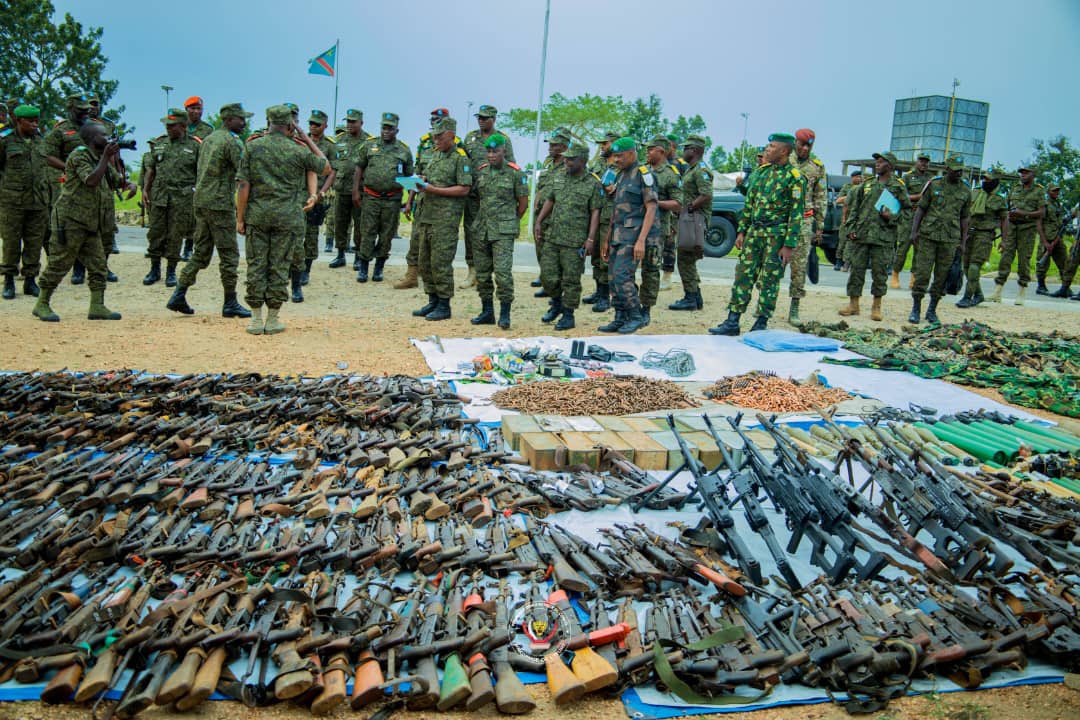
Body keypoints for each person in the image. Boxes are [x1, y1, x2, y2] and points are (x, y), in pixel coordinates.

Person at [236, 105, 330, 335]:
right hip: (287, 217)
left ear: (269, 123)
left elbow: (243, 185)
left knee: (256, 265)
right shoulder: (297, 150)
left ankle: (256, 319)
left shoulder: (252, 147)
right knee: (279, 266)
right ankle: (273, 319)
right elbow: (325, 167)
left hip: (258, 215)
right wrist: (305, 137)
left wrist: (240, 218)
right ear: (290, 125)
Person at [710, 133, 805, 336]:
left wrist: (789, 245)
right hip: (754, 233)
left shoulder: (794, 178)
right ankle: (732, 321)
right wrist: (742, 231)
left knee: (769, 280)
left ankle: (761, 323)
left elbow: (796, 214)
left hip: (776, 236)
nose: (767, 149)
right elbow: (749, 204)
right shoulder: (760, 173)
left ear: (784, 151)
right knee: (743, 275)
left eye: (772, 146)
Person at [32, 121, 127, 322]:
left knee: (99, 265)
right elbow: (91, 180)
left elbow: (116, 180)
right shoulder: (79, 156)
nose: (108, 138)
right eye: (103, 135)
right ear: (92, 139)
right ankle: (42, 303)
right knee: (59, 263)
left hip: (90, 222)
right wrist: (106, 157)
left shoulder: (98, 158)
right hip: (71, 220)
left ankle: (97, 306)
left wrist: (129, 184)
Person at [166, 102, 253, 319]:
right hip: (219, 204)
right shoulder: (232, 141)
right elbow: (244, 172)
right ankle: (230, 301)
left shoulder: (209, 139)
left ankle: (179, 293)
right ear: (229, 120)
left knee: (201, 252)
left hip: (202, 201)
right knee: (229, 254)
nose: (244, 123)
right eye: (241, 119)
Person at [533, 143, 601, 330]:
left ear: (583, 161)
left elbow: (595, 212)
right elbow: (550, 199)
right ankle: (556, 304)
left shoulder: (592, 183)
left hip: (575, 241)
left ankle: (568, 315)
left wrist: (591, 239)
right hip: (553, 236)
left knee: (571, 280)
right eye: (566, 158)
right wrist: (539, 221)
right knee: (548, 276)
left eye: (571, 159)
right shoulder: (559, 177)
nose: (567, 161)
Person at [410, 116, 472, 322]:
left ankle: (444, 304)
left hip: (445, 220)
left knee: (440, 263)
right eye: (434, 136)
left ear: (451, 135)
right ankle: (433, 299)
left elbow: (464, 189)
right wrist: (422, 181)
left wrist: (432, 189)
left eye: (439, 137)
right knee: (425, 261)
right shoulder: (436, 155)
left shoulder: (460, 159)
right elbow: (429, 178)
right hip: (426, 216)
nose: (435, 140)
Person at [598, 136, 659, 335]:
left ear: (632, 154)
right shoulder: (621, 175)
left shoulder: (644, 174)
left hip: (634, 235)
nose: (616, 160)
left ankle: (635, 316)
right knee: (612, 277)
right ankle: (620, 316)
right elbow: (616, 210)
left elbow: (651, 208)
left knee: (622, 275)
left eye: (620, 156)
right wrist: (607, 239)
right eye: (614, 156)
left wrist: (641, 241)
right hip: (618, 235)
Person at [839, 152, 908, 321]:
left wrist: (891, 216)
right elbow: (855, 208)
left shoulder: (898, 186)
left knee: (879, 273)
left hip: (883, 237)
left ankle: (876, 307)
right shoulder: (867, 184)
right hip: (861, 235)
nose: (877, 164)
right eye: (876, 161)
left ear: (890, 166)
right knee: (856, 271)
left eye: (881, 162)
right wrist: (851, 228)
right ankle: (853, 304)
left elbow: (906, 212)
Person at [400, 108, 463, 290]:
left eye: (439, 120)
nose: (435, 124)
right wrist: (410, 201)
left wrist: (432, 188)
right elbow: (419, 174)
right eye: (433, 120)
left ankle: (439, 293)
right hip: (423, 204)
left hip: (443, 212)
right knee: (416, 240)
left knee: (438, 254)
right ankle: (412, 275)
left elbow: (463, 185)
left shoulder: (458, 150)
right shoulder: (426, 144)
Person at [469, 134, 527, 329]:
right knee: (483, 274)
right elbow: (478, 197)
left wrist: (510, 220)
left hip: (503, 231)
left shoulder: (515, 173)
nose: (492, 155)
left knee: (502, 273)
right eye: (489, 151)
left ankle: (505, 314)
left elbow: (523, 204)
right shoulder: (482, 172)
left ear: (504, 151)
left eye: (496, 151)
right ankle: (487, 312)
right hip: (482, 229)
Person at [908, 156, 970, 324]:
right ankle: (916, 308)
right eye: (955, 169)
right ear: (947, 168)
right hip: (928, 236)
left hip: (950, 239)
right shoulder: (934, 184)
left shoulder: (965, 190)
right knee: (922, 274)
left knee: (941, 276)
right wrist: (914, 232)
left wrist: (963, 242)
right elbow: (921, 209)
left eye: (960, 170)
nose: (958, 173)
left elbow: (965, 217)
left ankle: (932, 310)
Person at [141, 108, 200, 288]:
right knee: (155, 233)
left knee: (176, 234)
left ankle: (171, 271)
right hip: (160, 195)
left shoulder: (195, 146)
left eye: (172, 125)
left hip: (182, 198)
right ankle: (154, 269)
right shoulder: (159, 143)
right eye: (167, 125)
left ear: (183, 126)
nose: (168, 128)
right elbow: (151, 169)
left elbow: (201, 173)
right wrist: (145, 190)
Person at [352, 112, 413, 283]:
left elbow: (410, 178)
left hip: (392, 200)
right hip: (371, 197)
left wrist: (409, 202)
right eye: (384, 128)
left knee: (386, 235)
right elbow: (359, 168)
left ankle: (379, 268)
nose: (386, 131)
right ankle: (363, 268)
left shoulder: (404, 150)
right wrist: (355, 191)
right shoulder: (369, 145)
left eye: (390, 128)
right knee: (367, 232)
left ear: (396, 130)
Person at [461, 105, 515, 290]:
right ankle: (473, 270)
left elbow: (511, 165)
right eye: (479, 117)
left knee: (495, 235)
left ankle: (490, 271)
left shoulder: (503, 139)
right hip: (473, 195)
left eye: (485, 118)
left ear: (494, 119)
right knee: (471, 233)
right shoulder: (470, 138)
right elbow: (464, 163)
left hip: (495, 198)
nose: (481, 120)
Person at [41, 93, 91, 282]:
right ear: (70, 109)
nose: (84, 113)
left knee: (90, 225)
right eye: (80, 110)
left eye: (86, 110)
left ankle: (85, 266)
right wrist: (68, 168)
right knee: (68, 225)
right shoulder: (60, 131)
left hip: (91, 183)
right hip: (68, 185)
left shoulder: (93, 128)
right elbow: (47, 155)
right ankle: (72, 267)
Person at [0, 105, 48, 300]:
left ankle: (30, 280)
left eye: (37, 121)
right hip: (12, 202)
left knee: (34, 243)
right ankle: (9, 281)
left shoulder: (41, 141)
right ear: (19, 121)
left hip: (38, 202)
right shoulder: (6, 140)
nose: (35, 124)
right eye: (30, 121)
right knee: (11, 242)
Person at [783, 129, 825, 323]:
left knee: (799, 267)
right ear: (795, 142)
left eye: (809, 145)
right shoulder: (784, 159)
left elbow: (820, 196)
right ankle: (765, 304)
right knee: (774, 263)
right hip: (782, 219)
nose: (805, 149)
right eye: (802, 144)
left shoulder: (817, 167)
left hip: (804, 221)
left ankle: (794, 308)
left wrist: (819, 225)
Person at [641, 136, 682, 325]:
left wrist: (655, 203)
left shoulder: (670, 174)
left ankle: (646, 308)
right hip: (637, 226)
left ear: (661, 152)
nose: (647, 152)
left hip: (657, 229)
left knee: (650, 269)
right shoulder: (642, 170)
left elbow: (678, 203)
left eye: (651, 149)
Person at [668, 135, 712, 313]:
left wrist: (689, 208)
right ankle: (695, 297)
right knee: (688, 259)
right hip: (690, 218)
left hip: (695, 219)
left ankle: (690, 298)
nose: (682, 151)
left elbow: (706, 194)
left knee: (685, 259)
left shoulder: (700, 170)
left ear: (693, 150)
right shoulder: (691, 169)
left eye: (685, 148)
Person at [989, 165, 1044, 305]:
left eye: (1026, 173)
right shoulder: (1015, 189)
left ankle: (1021, 293)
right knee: (1005, 258)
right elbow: (1006, 208)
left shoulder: (1038, 191)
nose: (1022, 175)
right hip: (1012, 227)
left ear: (1033, 175)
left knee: (1024, 261)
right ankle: (997, 292)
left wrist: (1023, 214)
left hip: (1027, 229)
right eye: (1021, 173)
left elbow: (1041, 212)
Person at [295, 109, 337, 288]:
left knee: (311, 235)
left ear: (325, 126)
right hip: (298, 194)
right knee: (294, 233)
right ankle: (293, 268)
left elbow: (332, 171)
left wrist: (322, 192)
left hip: (317, 195)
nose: (313, 127)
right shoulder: (299, 141)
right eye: (311, 123)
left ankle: (306, 270)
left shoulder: (330, 146)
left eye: (317, 124)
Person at [957, 169, 1007, 308]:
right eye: (984, 178)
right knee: (966, 267)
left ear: (995, 181)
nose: (985, 181)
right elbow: (965, 212)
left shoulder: (999, 199)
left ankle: (967, 297)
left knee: (974, 266)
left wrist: (1004, 240)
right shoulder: (975, 192)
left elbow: (1004, 220)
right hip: (969, 233)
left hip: (985, 235)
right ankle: (978, 295)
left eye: (988, 179)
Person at [86, 93, 123, 283]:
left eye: (95, 104)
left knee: (106, 226)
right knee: (82, 229)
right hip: (84, 177)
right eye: (89, 104)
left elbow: (115, 153)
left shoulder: (108, 125)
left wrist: (120, 176)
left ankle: (103, 266)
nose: (92, 107)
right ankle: (79, 269)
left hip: (105, 175)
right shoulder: (73, 127)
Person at [329, 109, 371, 270]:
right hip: (341, 188)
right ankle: (340, 254)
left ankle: (358, 256)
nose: (349, 124)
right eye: (348, 121)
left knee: (360, 225)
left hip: (360, 191)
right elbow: (333, 163)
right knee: (340, 223)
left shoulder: (369, 141)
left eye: (353, 121)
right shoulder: (339, 140)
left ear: (361, 123)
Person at [532, 129, 570, 297]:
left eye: (554, 145)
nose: (550, 148)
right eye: (550, 145)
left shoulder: (569, 165)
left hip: (556, 215)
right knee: (540, 248)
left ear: (564, 147)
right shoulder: (549, 163)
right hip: (541, 213)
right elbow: (541, 186)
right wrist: (536, 200)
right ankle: (546, 279)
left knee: (553, 252)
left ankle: (555, 285)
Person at [583, 130, 618, 311]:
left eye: (605, 143)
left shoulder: (621, 166)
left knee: (606, 257)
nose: (602, 147)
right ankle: (598, 291)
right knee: (595, 255)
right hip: (595, 214)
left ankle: (606, 296)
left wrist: (614, 188)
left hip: (610, 217)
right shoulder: (599, 163)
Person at [892, 152, 934, 289]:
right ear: (917, 162)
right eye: (921, 161)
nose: (924, 164)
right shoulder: (907, 177)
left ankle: (913, 278)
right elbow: (900, 196)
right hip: (909, 217)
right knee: (903, 248)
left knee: (920, 250)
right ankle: (895, 274)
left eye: (926, 161)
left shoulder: (931, 179)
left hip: (924, 218)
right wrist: (918, 197)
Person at [1036, 185, 1069, 295]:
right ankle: (1041, 286)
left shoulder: (1058, 204)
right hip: (1047, 238)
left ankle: (1065, 287)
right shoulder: (1044, 205)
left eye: (1058, 190)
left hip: (1057, 238)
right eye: (1054, 191)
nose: (1056, 192)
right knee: (1042, 264)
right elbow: (1039, 223)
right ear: (1048, 192)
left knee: (1064, 262)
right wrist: (1044, 241)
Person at [834, 170, 863, 270]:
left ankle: (847, 263)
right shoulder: (847, 187)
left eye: (860, 177)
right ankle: (838, 262)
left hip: (858, 218)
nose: (859, 179)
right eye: (857, 177)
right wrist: (851, 195)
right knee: (842, 240)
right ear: (852, 178)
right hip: (847, 217)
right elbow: (838, 200)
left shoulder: (863, 188)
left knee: (852, 242)